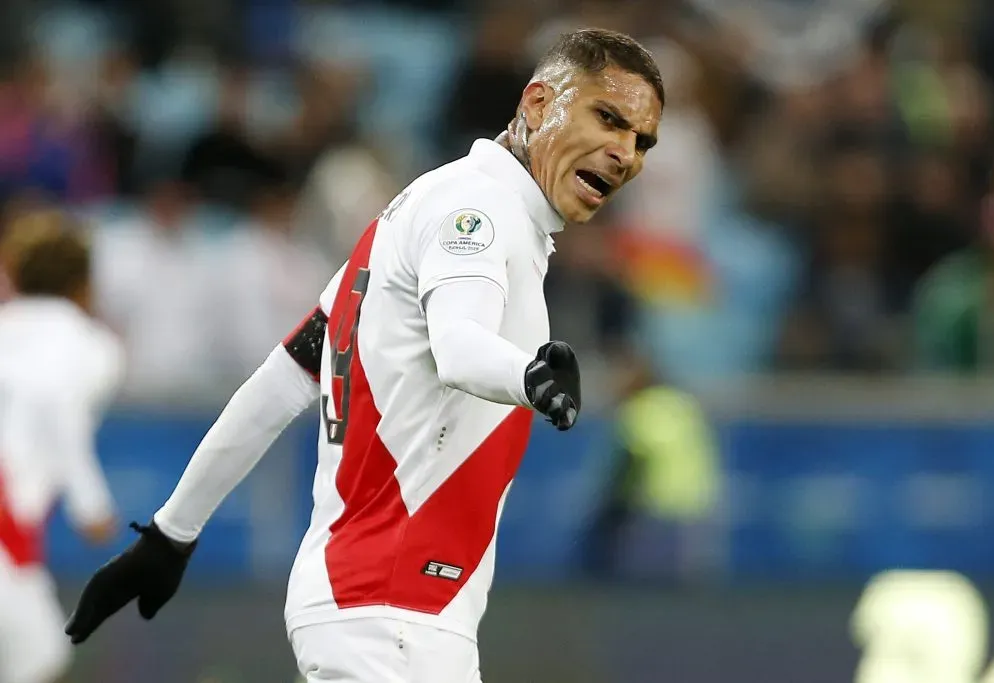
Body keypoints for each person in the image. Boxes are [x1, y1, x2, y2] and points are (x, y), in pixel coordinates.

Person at [64, 28, 664, 683]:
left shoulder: (417, 210)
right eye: (608, 118)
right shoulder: (479, 211)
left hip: (376, 608)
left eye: (642, 141)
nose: (624, 152)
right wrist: (529, 376)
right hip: (392, 612)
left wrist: (171, 533)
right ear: (537, 101)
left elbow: (285, 377)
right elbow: (459, 346)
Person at [0, 209, 124, 683]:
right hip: (6, 523)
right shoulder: (93, 348)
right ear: (84, 285)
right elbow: (58, 408)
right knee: (40, 656)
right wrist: (90, 503)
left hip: (12, 525)